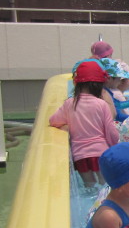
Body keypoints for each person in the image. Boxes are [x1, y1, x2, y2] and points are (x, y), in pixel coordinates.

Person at [49, 60, 119, 188]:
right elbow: (110, 131)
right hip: (100, 153)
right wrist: (116, 146)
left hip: (80, 156)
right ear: (99, 85)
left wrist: (66, 125)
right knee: (105, 186)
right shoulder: (101, 104)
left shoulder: (70, 103)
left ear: (76, 83)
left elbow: (53, 121)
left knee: (89, 186)